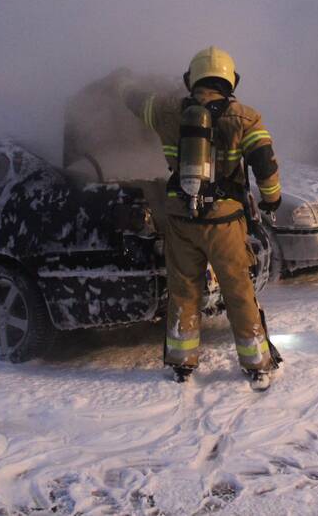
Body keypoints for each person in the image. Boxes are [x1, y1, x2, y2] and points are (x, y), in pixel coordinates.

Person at [119, 46, 282, 390]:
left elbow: (135, 102)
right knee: (238, 290)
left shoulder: (166, 110)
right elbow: (265, 164)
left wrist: (122, 84)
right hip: (224, 220)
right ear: (230, 79)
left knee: (183, 291)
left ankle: (182, 363)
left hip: (180, 216)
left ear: (191, 78)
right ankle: (256, 363)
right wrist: (272, 200)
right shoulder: (245, 117)